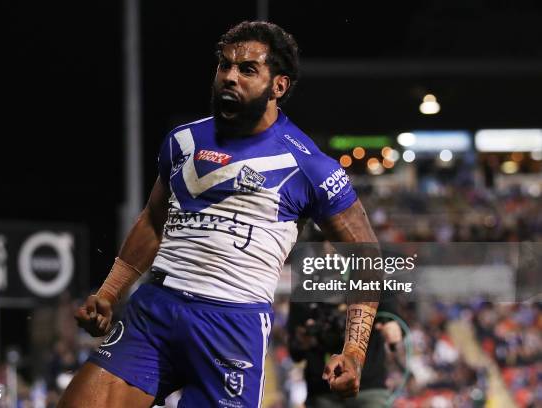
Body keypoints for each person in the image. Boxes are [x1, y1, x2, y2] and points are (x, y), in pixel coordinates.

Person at [58, 21, 379, 408]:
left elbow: (367, 259)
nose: (230, 76)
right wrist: (109, 294)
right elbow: (153, 222)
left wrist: (355, 351)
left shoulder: (310, 167)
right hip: (156, 310)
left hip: (232, 327)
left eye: (247, 69)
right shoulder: (183, 141)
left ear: (279, 86)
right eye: (224, 66)